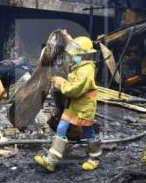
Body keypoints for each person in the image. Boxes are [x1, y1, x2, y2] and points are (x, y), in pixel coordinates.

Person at [34, 36, 101, 172]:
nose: (73, 56)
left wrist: (60, 82)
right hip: (73, 105)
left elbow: (74, 89)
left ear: (83, 54)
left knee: (89, 132)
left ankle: (94, 158)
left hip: (84, 107)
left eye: (76, 53)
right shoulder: (79, 66)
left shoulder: (87, 70)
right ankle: (51, 161)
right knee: (61, 128)